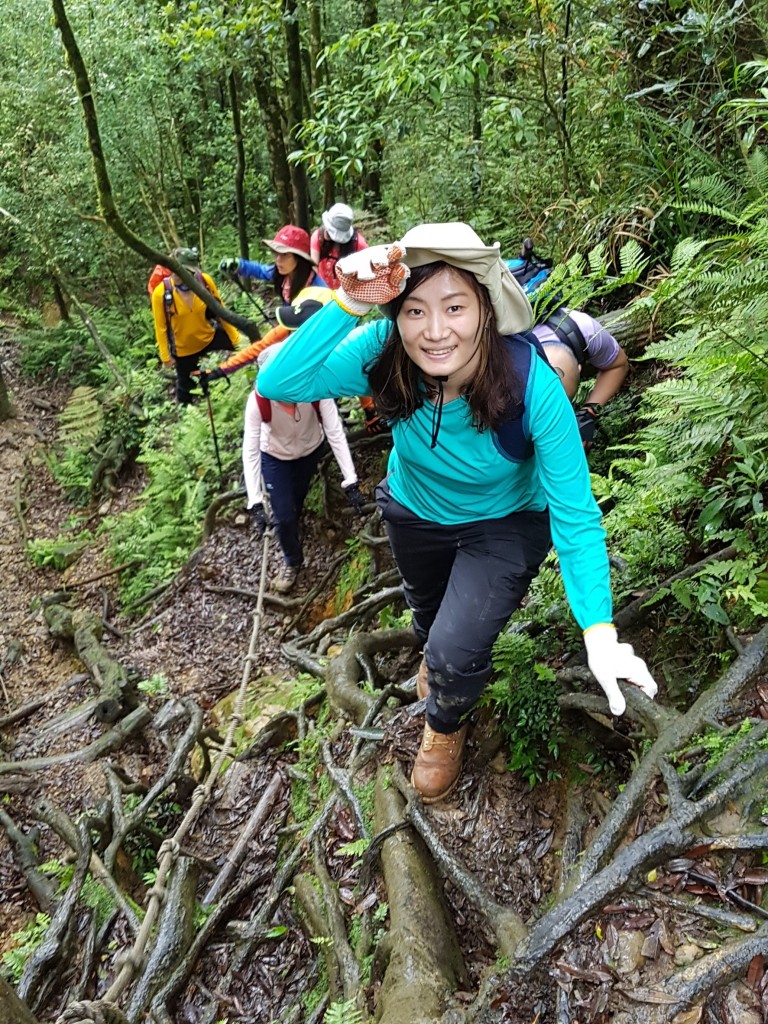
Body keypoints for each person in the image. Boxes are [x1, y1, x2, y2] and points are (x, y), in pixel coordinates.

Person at [258, 223, 657, 802]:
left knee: (452, 649)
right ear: (395, 314)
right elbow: (279, 378)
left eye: (454, 306)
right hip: (414, 513)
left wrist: (598, 629)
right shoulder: (383, 352)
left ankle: (445, 726)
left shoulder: (532, 387)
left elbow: (575, 512)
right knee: (426, 617)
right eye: (415, 310)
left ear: (486, 309)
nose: (436, 331)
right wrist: (347, 301)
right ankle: (436, 662)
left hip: (504, 526)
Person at [245, 338, 366, 594]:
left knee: (295, 502)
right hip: (275, 456)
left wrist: (350, 481)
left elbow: (335, 432)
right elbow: (250, 450)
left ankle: (291, 521)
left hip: (310, 451)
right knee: (284, 515)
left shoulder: (315, 390)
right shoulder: (258, 401)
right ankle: (293, 561)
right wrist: (255, 500)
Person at [150, 248, 240, 405]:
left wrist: (235, 339)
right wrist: (165, 356)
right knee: (186, 389)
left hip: (208, 336)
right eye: (174, 270)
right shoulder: (161, 294)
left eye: (183, 271)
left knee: (246, 352)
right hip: (184, 349)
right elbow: (160, 327)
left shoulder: (204, 282)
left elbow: (221, 312)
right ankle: (186, 415)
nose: (177, 275)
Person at [531, 309, 629, 448]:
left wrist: (587, 413)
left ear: (579, 368)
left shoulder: (584, 329)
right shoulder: (500, 356)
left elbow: (618, 365)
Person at [219, 226, 327, 303]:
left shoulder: (319, 290)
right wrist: (239, 265)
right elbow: (260, 270)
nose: (278, 260)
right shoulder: (284, 275)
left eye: (285, 254)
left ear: (300, 259)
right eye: (276, 253)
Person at [310, 203, 368, 290]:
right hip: (322, 292)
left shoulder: (358, 244)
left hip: (349, 296)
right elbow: (314, 269)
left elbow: (366, 274)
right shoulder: (318, 237)